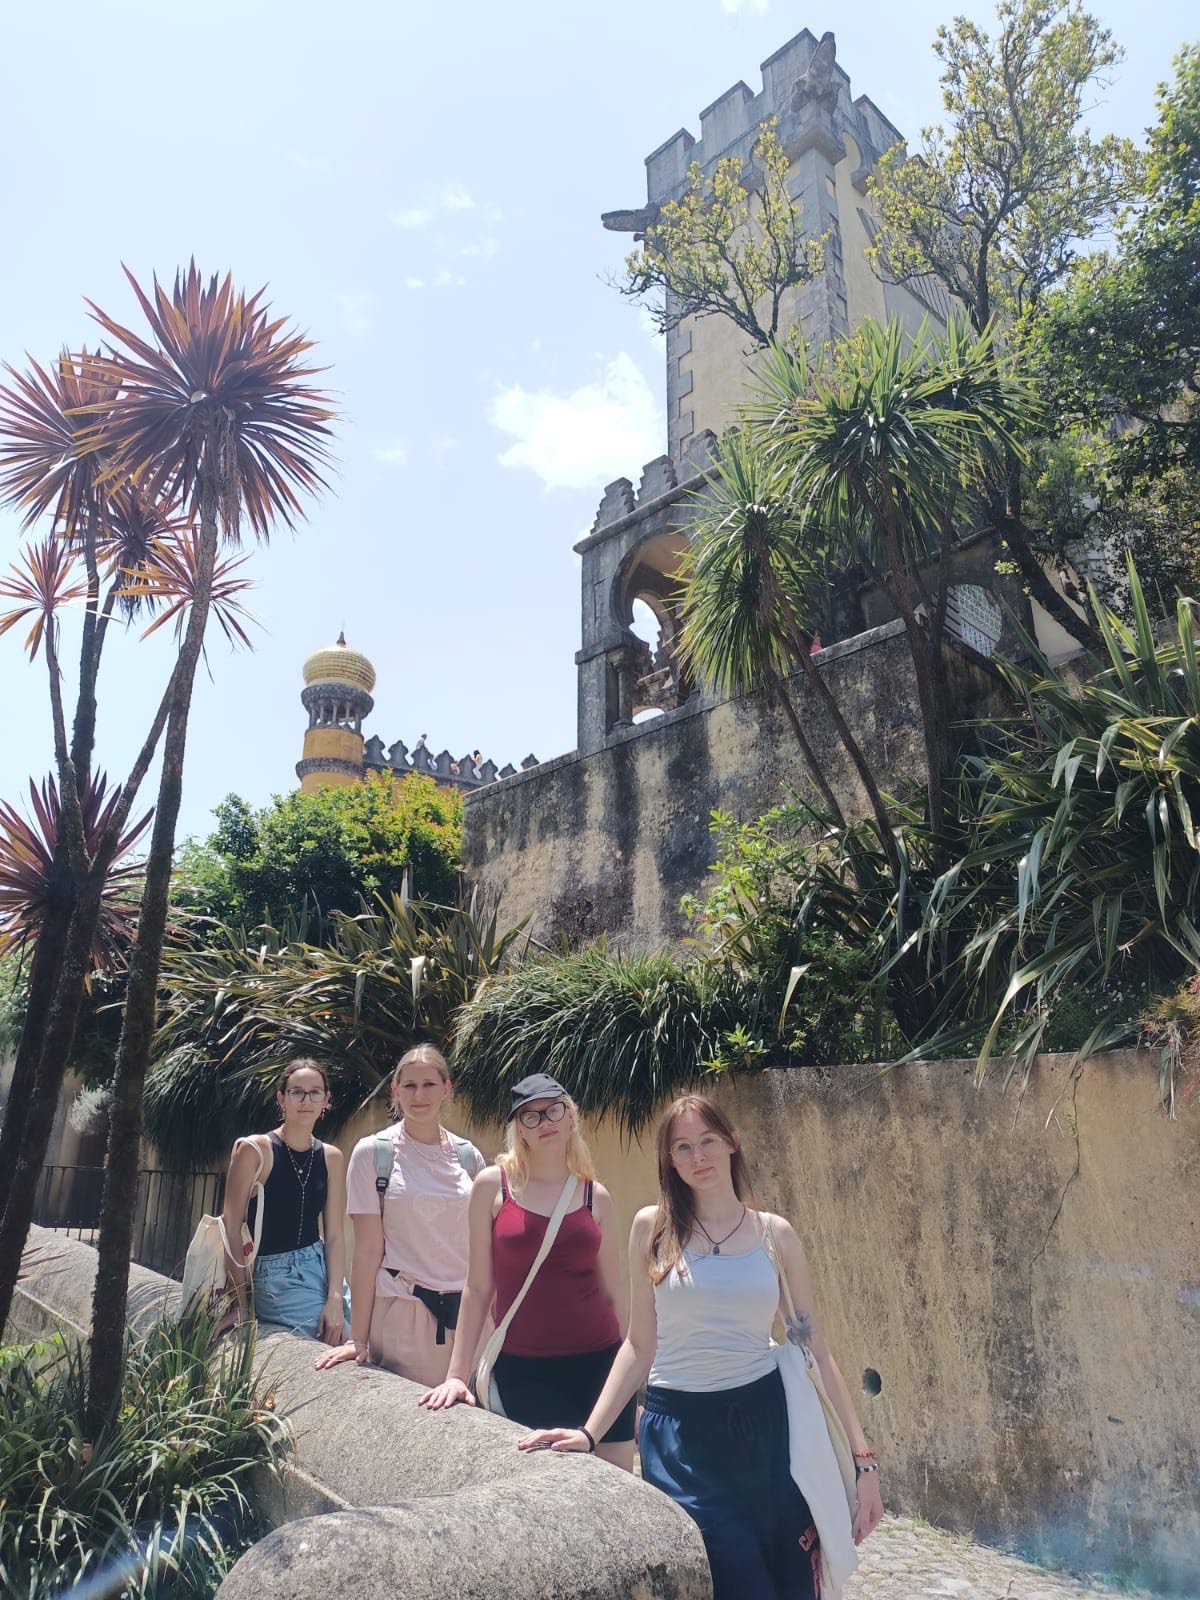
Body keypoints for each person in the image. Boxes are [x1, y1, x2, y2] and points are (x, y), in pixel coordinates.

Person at [518, 1093, 885, 1600]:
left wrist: (864, 1465)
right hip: (680, 1434)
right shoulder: (652, 1229)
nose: (698, 1156)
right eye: (683, 1147)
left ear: (733, 1142)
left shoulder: (774, 1236)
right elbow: (638, 1345)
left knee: (789, 1579)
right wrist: (589, 1432)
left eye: (708, 1140)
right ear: (669, 1160)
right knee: (733, 1578)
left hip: (767, 1430)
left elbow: (815, 1352)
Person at [419, 1073, 635, 1471]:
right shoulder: (492, 1186)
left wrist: (630, 1382)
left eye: (554, 1110)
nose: (544, 1122)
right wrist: (456, 1376)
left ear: (571, 1117)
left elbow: (612, 1294)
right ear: (519, 1129)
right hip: (524, 1368)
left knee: (618, 1484)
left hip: (600, 1363)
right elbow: (478, 1287)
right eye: (530, 1116)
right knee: (546, 1484)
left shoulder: (596, 1196)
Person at [316, 1043, 485, 1385]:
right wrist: (357, 1339)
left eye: (429, 1084)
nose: (418, 1095)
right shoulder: (373, 1154)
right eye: (409, 1085)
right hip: (404, 1315)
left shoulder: (470, 1158)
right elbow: (367, 1250)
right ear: (395, 1090)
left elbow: (483, 1248)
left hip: (470, 1320)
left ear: (446, 1088)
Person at [220, 1058, 350, 1342]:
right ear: (282, 1098)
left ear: (326, 1099)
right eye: (297, 1092)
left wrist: (335, 1297)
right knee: (333, 1341)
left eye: (315, 1092)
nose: (306, 1100)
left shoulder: (331, 1157)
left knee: (364, 1340)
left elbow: (335, 1236)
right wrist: (241, 1304)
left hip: (320, 1266)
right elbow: (230, 1226)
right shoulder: (255, 1149)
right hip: (274, 1275)